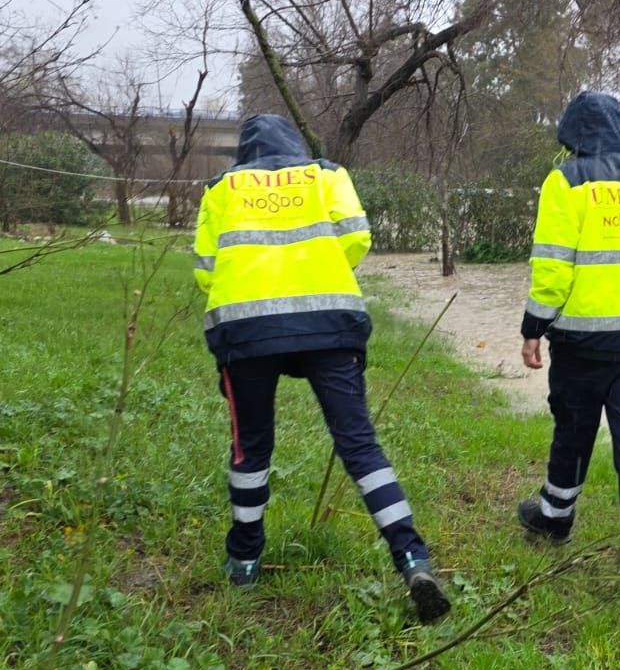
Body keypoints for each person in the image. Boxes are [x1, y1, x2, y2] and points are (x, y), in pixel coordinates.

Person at [193, 114, 450, 622]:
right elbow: (356, 239)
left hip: (247, 332)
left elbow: (206, 268)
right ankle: (412, 558)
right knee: (359, 445)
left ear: (244, 153)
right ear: (295, 144)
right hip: (329, 325)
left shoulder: (221, 189)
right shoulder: (327, 175)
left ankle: (244, 559)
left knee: (252, 448)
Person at [515, 91, 620, 589]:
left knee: (573, 427)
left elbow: (552, 268)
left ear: (571, 135)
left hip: (580, 339)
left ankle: (555, 518)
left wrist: (534, 327)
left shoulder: (565, 182)